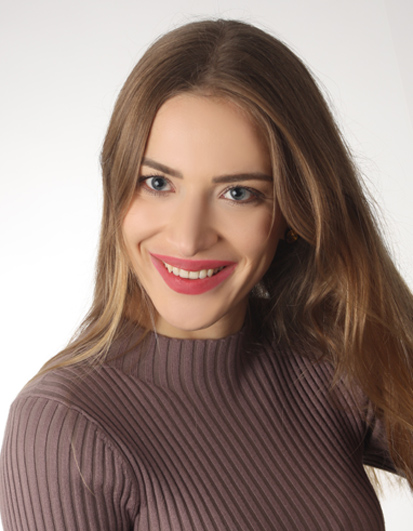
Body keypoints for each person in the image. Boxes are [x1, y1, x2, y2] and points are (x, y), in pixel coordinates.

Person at [0, 18, 412, 530]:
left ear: (295, 210)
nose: (189, 238)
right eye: (157, 182)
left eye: (238, 192)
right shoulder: (64, 426)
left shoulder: (329, 359)